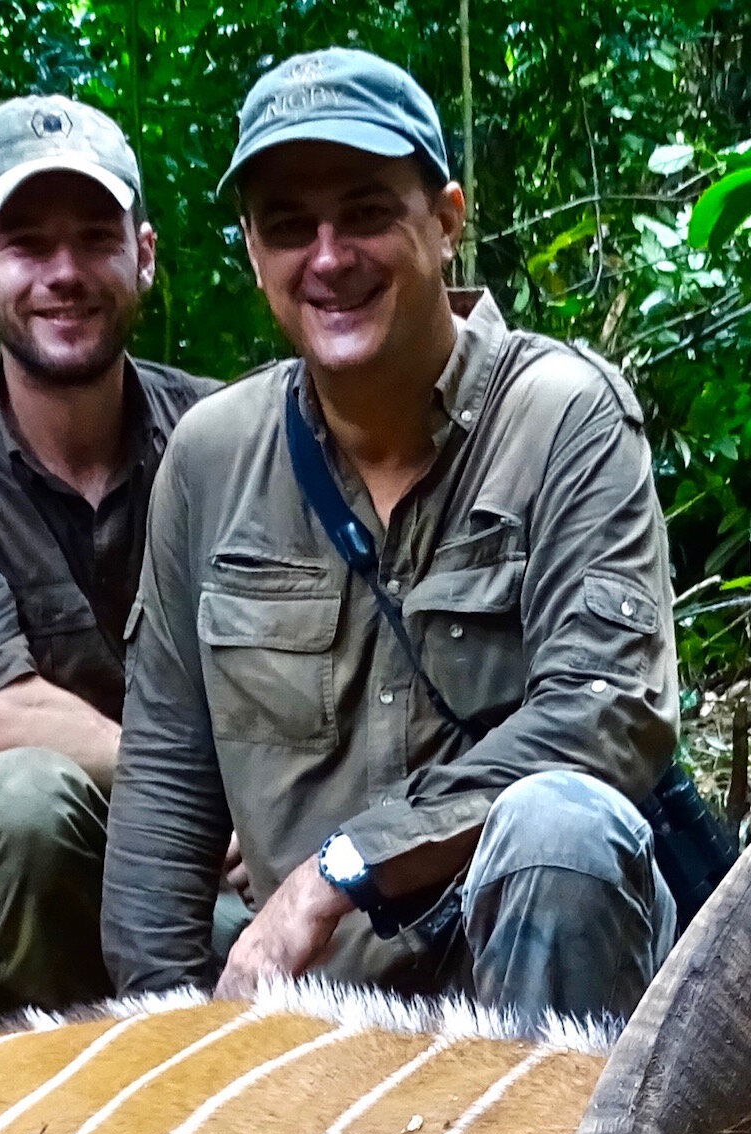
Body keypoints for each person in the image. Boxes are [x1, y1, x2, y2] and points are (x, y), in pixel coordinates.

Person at [103, 49, 680, 1025]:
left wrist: (336, 874)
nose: (328, 257)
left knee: (561, 830)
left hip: (520, 976)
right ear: (252, 251)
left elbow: (603, 718)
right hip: (311, 1010)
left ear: (446, 221)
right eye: (289, 227)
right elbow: (164, 786)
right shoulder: (209, 458)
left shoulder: (563, 417)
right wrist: (156, 1055)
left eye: (368, 211)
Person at [0, 98, 218, 1012]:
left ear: (141, 255)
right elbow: (1, 716)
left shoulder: (229, 434)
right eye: (27, 244)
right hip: (81, 870)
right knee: (19, 796)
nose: (64, 274)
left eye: (95, 238)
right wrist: (205, 813)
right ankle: (51, 1116)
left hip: (254, 869)